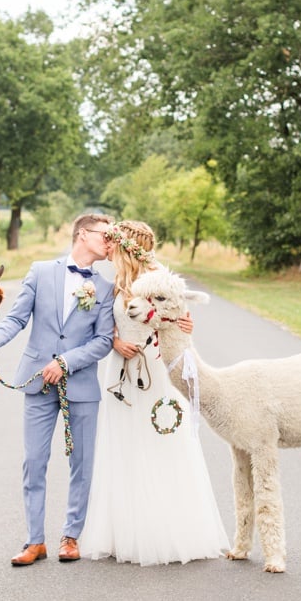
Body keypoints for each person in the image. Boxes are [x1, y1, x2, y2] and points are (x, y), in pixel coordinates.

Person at [78, 219, 229, 564]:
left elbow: (179, 318)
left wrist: (186, 324)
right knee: (124, 445)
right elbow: (107, 327)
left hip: (157, 369)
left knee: (159, 442)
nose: (109, 246)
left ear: (127, 244)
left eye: (115, 240)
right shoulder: (115, 282)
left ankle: (166, 530)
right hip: (121, 370)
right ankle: (126, 531)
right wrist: (116, 342)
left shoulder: (160, 278)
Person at [0, 212, 117, 566]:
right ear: (83, 235)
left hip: (81, 385)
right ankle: (34, 541)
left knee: (82, 462)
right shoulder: (40, 271)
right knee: (33, 461)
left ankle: (71, 537)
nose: (111, 241)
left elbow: (104, 340)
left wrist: (65, 363)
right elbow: (15, 318)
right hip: (36, 382)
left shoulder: (105, 288)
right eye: (106, 234)